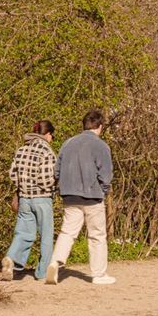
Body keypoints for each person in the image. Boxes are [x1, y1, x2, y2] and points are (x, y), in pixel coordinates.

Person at [46, 108, 115, 285]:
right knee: (97, 235)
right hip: (92, 196)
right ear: (100, 126)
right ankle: (98, 274)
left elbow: (57, 170)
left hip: (69, 195)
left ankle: (55, 262)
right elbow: (106, 174)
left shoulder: (68, 143)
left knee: (67, 232)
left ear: (84, 125)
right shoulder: (101, 145)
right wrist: (103, 190)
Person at [1, 120, 57, 281]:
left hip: (24, 198)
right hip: (42, 199)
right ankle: (42, 272)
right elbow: (45, 180)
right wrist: (55, 184)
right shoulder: (46, 151)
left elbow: (13, 175)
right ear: (48, 134)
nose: (52, 139)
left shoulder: (21, 150)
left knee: (23, 233)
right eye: (52, 136)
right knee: (46, 236)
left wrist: (23, 187)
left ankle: (11, 258)